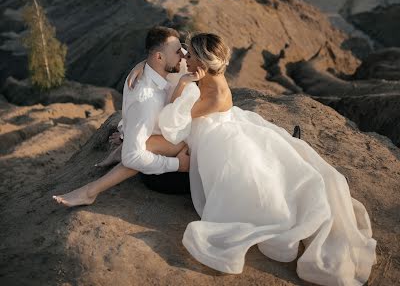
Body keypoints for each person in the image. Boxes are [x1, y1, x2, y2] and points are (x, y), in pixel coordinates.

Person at [156, 33, 376, 285]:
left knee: (259, 186)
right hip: (227, 126)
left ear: (204, 63)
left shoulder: (214, 95)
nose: (186, 57)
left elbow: (171, 118)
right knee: (272, 160)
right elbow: (165, 62)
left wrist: (183, 83)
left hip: (216, 139)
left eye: (191, 55)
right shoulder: (209, 75)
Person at [53, 26, 193, 207]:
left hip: (165, 140)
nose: (183, 56)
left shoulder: (151, 71)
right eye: (178, 52)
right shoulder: (147, 99)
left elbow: (181, 55)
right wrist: (177, 164)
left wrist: (143, 63)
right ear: (159, 57)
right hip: (166, 176)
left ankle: (124, 145)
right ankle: (89, 191)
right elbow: (133, 158)